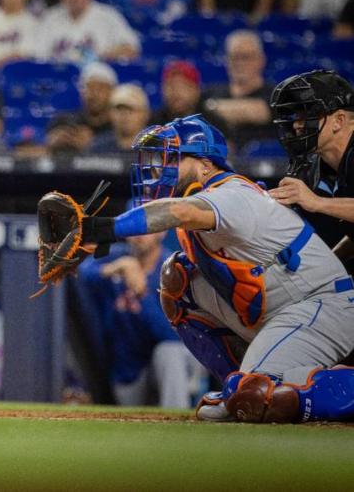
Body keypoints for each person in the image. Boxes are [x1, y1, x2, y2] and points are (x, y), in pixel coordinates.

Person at [74, 114, 354, 423]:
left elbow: (178, 211)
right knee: (179, 278)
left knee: (257, 397)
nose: (159, 167)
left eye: (173, 158)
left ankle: (267, 386)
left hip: (321, 306)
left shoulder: (232, 193)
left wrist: (105, 228)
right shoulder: (207, 197)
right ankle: (240, 383)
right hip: (281, 306)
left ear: (206, 164)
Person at [78, 230, 194, 408]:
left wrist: (142, 294)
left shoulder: (174, 268)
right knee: (130, 418)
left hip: (173, 361)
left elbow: (172, 335)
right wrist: (117, 267)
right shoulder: (118, 255)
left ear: (161, 233)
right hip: (127, 365)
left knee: (168, 352)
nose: (140, 234)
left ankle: (178, 425)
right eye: (134, 227)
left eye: (148, 229)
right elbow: (82, 272)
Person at [268, 70, 354, 257]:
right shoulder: (317, 165)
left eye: (308, 116)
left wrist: (317, 203)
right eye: (297, 117)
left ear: (339, 121)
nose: (297, 126)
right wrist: (333, 265)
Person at [33, 0, 141, 64]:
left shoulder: (108, 16)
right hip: (58, 79)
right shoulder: (50, 17)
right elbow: (37, 55)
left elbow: (131, 49)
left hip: (96, 78)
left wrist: (99, 56)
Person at [202, 30, 276, 151]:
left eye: (245, 57)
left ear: (261, 60)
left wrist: (211, 107)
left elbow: (260, 111)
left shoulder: (273, 93)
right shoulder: (211, 92)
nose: (239, 63)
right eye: (234, 57)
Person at [45, 61, 118, 154]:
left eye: (100, 88)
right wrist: (52, 145)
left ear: (113, 92)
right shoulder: (63, 121)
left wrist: (94, 146)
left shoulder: (118, 126)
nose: (94, 94)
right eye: (89, 87)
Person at [89, 83, 151, 154]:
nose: (124, 115)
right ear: (109, 113)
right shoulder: (97, 147)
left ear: (145, 114)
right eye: (119, 109)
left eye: (131, 109)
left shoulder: (158, 147)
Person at [152, 60, 214, 127]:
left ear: (196, 90)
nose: (176, 91)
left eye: (183, 86)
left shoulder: (212, 124)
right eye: (171, 86)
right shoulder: (154, 124)